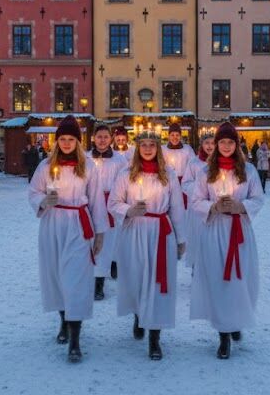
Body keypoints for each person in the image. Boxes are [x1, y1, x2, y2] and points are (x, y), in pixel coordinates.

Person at [28, 115, 107, 363]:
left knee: (76, 279)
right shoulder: (45, 167)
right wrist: (43, 201)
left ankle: (75, 339)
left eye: (70, 139)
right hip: (53, 224)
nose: (66, 143)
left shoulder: (89, 168)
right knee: (57, 277)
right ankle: (63, 320)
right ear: (56, 140)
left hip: (78, 226)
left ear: (78, 141)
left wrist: (100, 232)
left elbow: (96, 200)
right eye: (62, 139)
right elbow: (33, 192)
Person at [109, 130, 186, 360]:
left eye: (153, 144)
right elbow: (113, 202)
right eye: (144, 144)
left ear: (158, 148)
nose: (149, 148)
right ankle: (138, 314)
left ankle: (155, 337)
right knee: (136, 278)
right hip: (134, 231)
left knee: (157, 285)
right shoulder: (126, 174)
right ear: (138, 147)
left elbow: (177, 208)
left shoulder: (168, 174)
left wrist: (181, 239)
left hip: (160, 232)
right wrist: (129, 210)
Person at [190, 122, 264, 360]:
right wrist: (213, 206)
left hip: (239, 231)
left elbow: (258, 199)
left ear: (237, 144)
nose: (225, 146)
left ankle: (237, 320)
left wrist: (240, 206)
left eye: (230, 142)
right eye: (222, 142)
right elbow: (196, 201)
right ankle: (223, 334)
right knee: (219, 280)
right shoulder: (205, 173)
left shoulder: (249, 171)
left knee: (239, 279)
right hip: (215, 231)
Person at [89, 124, 128, 300]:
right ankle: (92, 278)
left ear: (110, 139)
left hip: (111, 203)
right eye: (99, 137)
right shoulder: (86, 158)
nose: (102, 140)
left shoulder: (119, 160)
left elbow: (125, 182)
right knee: (91, 242)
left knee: (109, 241)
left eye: (106, 137)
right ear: (93, 138)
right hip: (90, 203)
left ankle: (101, 279)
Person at [181, 133, 214, 267]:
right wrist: (200, 187)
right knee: (198, 238)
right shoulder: (194, 162)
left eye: (212, 143)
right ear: (202, 144)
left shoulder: (221, 162)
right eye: (207, 143)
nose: (210, 146)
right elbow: (186, 183)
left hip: (215, 207)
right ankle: (196, 268)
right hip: (197, 209)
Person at [162, 123, 195, 203]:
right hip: (169, 181)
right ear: (168, 136)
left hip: (184, 181)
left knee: (184, 204)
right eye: (172, 135)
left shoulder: (187, 149)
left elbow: (193, 165)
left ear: (180, 136)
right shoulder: (163, 149)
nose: (175, 137)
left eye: (177, 135)